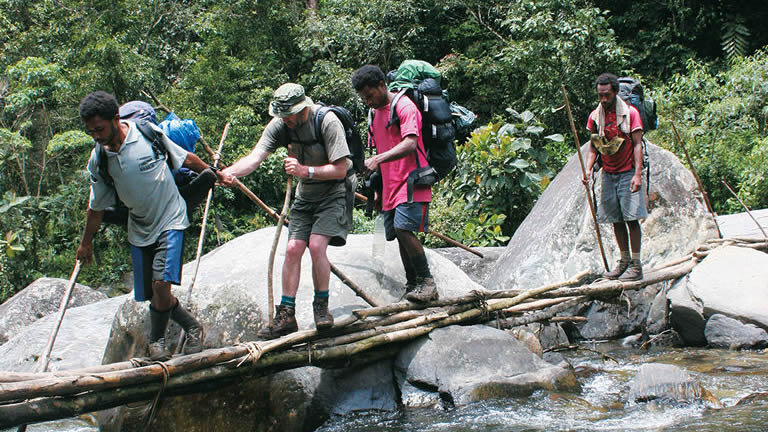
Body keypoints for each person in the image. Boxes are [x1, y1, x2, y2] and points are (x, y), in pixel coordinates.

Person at [76, 91, 219, 360]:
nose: (95, 135)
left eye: (99, 129)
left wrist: (215, 174)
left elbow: (185, 157)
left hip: (170, 217)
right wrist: (86, 243)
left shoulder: (146, 133)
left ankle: (157, 342)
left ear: (116, 118)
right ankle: (192, 326)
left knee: (161, 284)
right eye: (91, 131)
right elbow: (95, 208)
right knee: (151, 293)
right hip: (139, 226)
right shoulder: (99, 159)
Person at [219, 83, 355, 339]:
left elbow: (340, 169)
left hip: (333, 192)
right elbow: (255, 157)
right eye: (282, 115)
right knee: (293, 248)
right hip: (305, 196)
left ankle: (321, 308)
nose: (286, 119)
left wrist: (305, 171)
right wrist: (229, 173)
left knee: (316, 246)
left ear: (302, 107)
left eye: (289, 114)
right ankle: (287, 314)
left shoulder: (327, 121)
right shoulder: (282, 124)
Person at [351, 65, 438, 302]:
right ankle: (413, 285)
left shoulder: (404, 106)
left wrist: (377, 159)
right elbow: (381, 148)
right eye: (364, 98)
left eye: (370, 95)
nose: (368, 101)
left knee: (403, 229)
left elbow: (410, 143)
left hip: (413, 180)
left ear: (382, 85)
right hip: (390, 184)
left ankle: (428, 282)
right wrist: (378, 189)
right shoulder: (374, 114)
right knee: (397, 234)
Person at [583, 73, 647, 281]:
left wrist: (637, 175)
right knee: (615, 220)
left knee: (631, 218)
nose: (603, 99)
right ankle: (624, 260)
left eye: (607, 95)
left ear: (615, 92)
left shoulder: (630, 113)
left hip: (627, 171)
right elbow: (594, 146)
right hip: (609, 174)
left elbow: (637, 144)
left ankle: (636, 265)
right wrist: (588, 170)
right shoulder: (596, 117)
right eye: (600, 95)